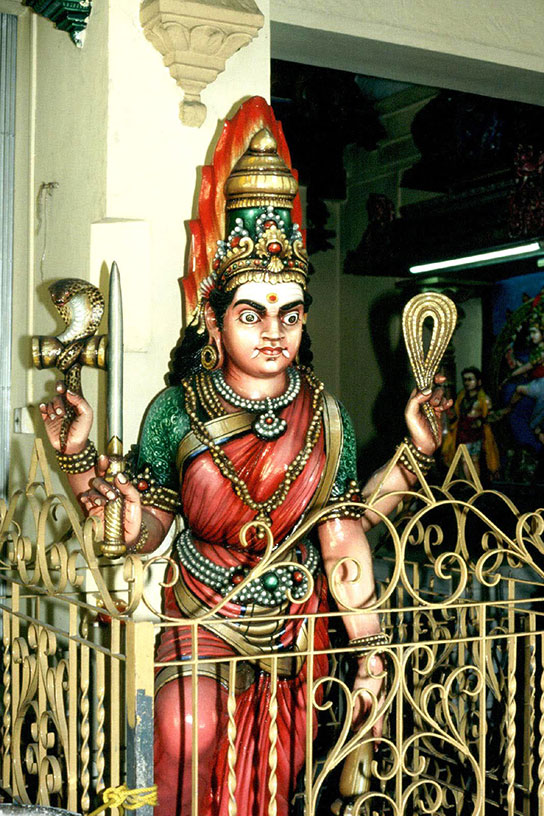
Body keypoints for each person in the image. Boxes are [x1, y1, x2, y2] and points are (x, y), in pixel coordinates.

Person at [38, 108, 450, 816]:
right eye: (252, 313)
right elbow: (144, 528)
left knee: (276, 772)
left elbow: (343, 533)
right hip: (202, 612)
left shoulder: (325, 415)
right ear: (213, 318)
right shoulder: (177, 410)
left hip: (295, 624)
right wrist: (94, 479)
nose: (273, 331)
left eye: (290, 313)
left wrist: (371, 654)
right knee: (186, 730)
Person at [443, 367, 499, 478]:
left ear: (478, 381)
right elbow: (456, 413)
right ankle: (469, 483)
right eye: (465, 380)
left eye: (470, 379)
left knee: (474, 459)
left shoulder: (484, 399)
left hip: (475, 432)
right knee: (464, 458)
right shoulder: (461, 397)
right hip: (462, 430)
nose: (467, 383)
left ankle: (475, 483)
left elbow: (491, 416)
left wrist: (481, 421)